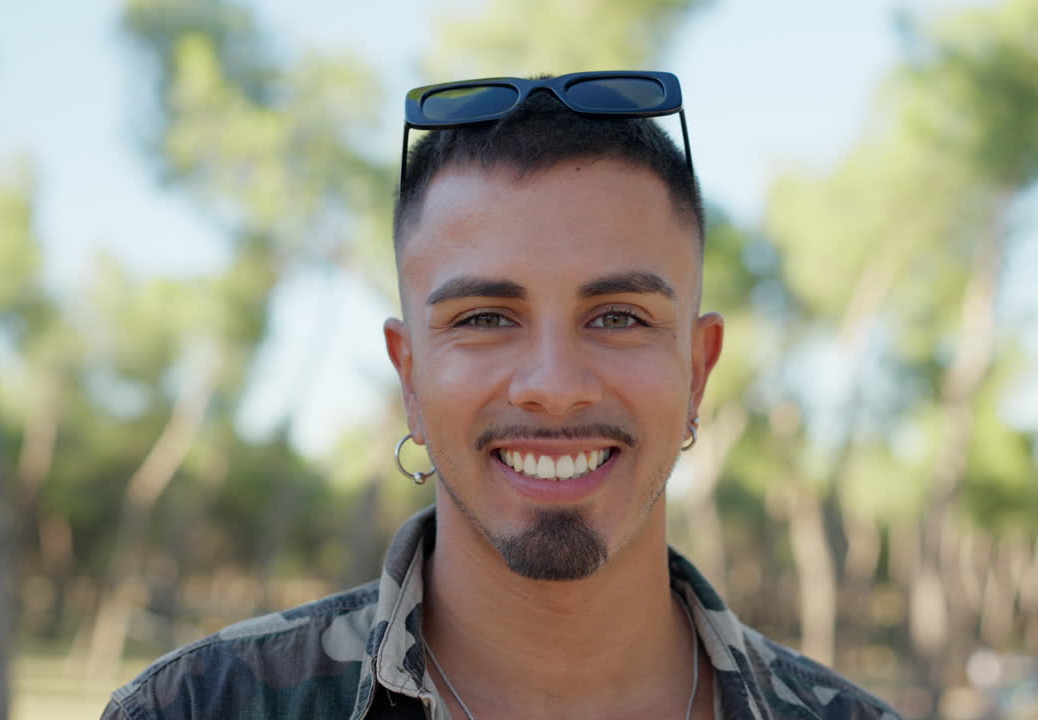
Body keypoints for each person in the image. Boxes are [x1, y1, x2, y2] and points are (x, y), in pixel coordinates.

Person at [101, 72, 902, 720]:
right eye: (485, 317)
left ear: (697, 371)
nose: (553, 385)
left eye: (618, 316)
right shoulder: (200, 709)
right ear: (409, 376)